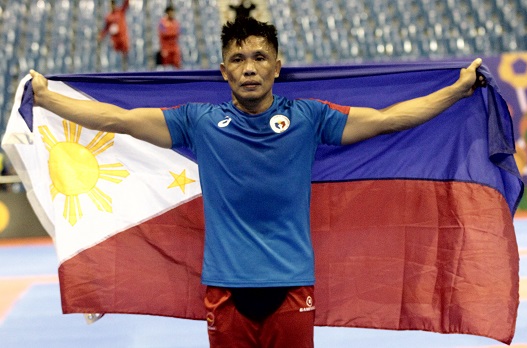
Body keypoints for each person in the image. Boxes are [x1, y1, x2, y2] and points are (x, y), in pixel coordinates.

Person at [30, 16, 485, 348]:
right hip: (225, 292)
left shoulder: (309, 116)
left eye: (259, 58)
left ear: (277, 67)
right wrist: (48, 97)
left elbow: (387, 120)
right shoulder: (198, 121)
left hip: (291, 289)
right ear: (223, 71)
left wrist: (456, 90)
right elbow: (119, 119)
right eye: (238, 59)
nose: (249, 67)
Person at [98, 0, 130, 71]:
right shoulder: (108, 16)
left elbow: (126, 5)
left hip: (123, 39)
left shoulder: (120, 12)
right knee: (116, 60)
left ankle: (126, 72)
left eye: (113, 4)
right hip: (115, 41)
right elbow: (106, 28)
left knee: (125, 58)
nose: (112, 6)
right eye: (110, 4)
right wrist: (101, 35)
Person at [157, 4, 182, 69]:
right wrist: (172, 33)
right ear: (167, 12)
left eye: (173, 12)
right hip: (166, 48)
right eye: (170, 12)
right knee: (166, 67)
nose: (172, 13)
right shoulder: (162, 22)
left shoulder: (176, 22)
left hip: (174, 47)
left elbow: (177, 33)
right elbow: (163, 34)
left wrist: (170, 33)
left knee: (177, 65)